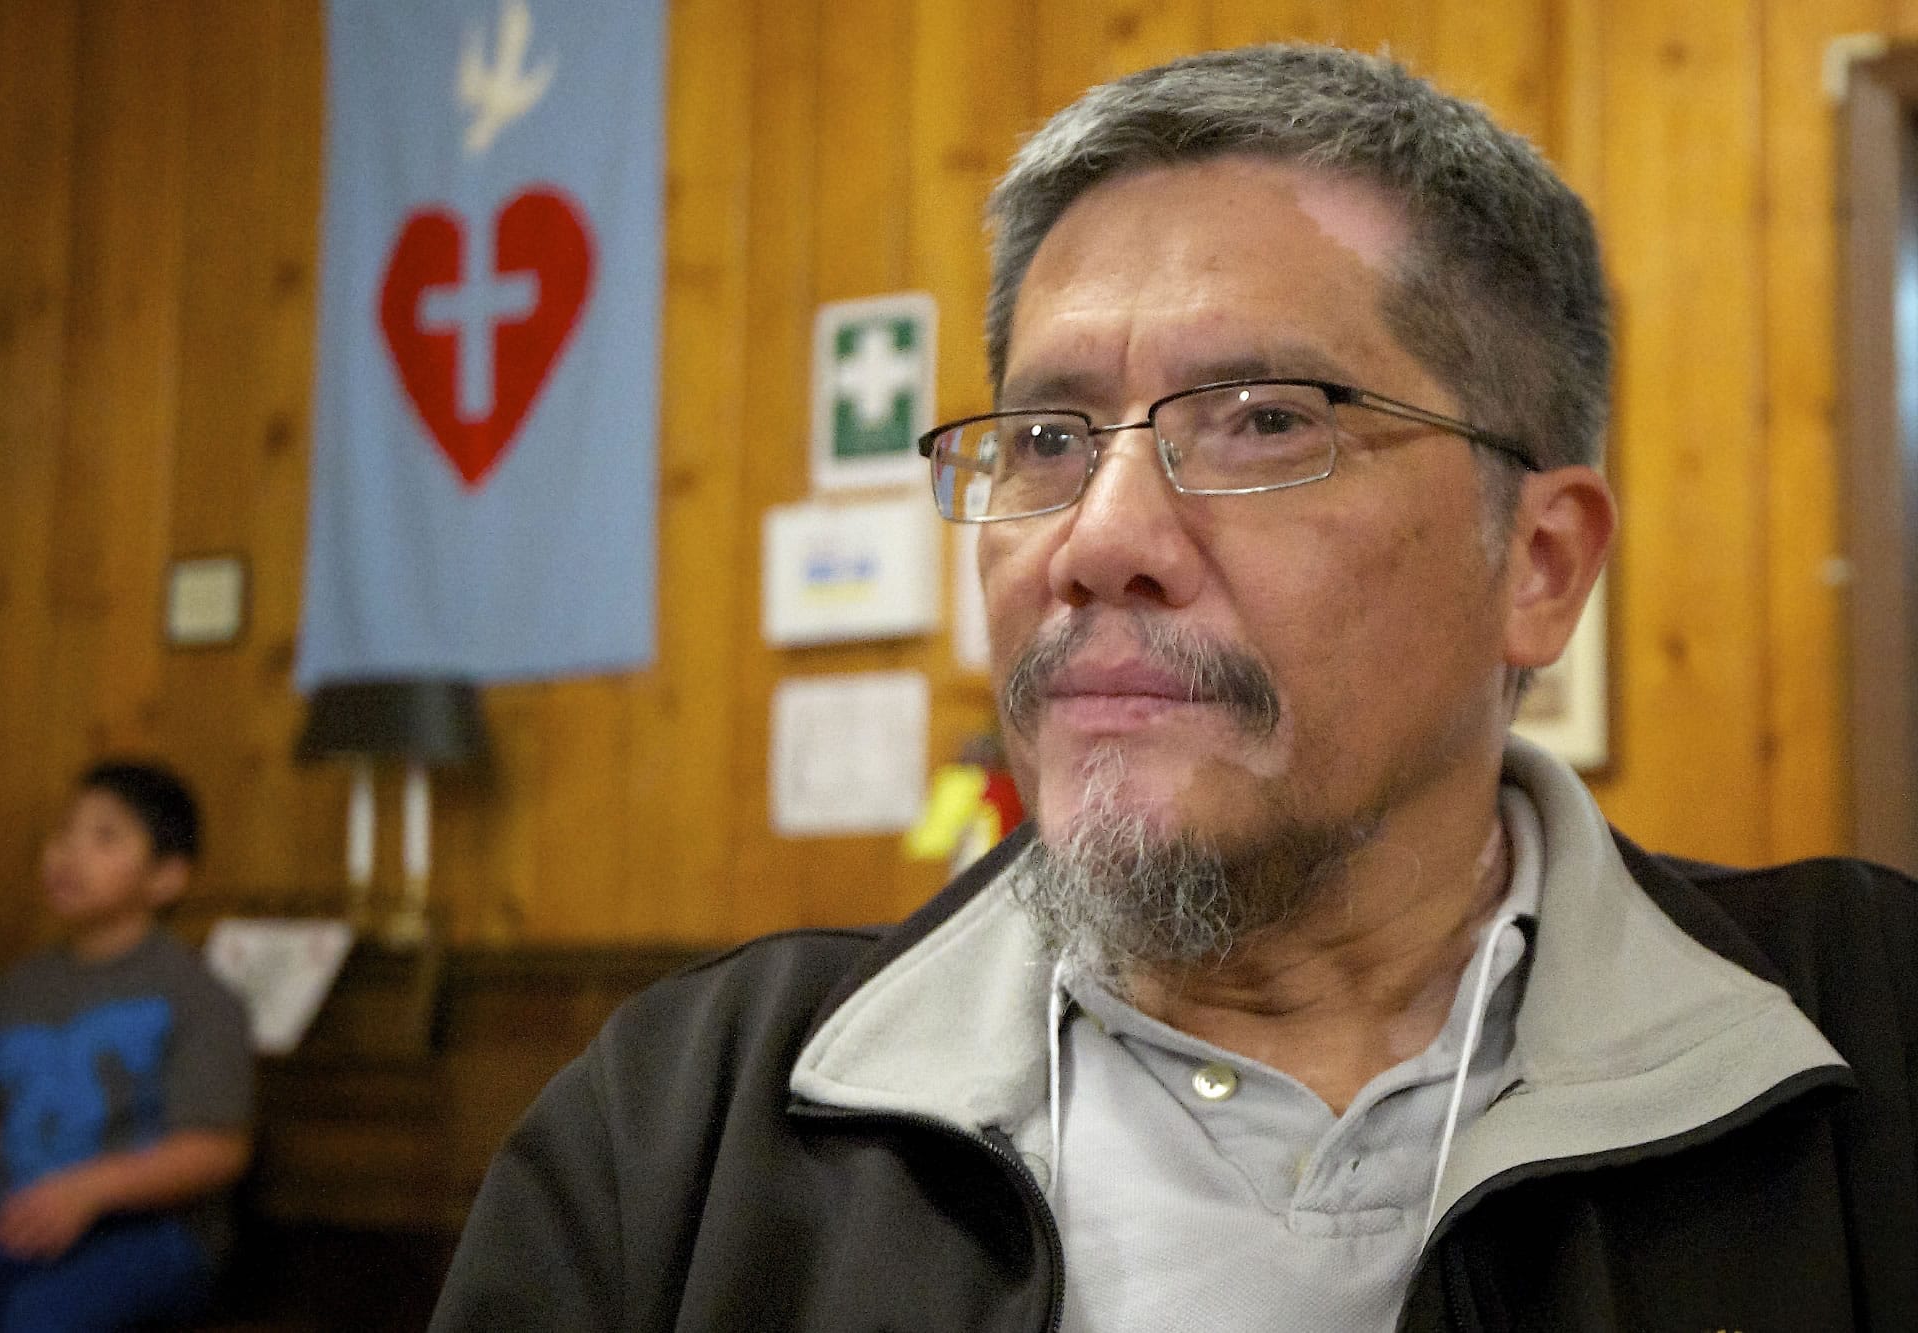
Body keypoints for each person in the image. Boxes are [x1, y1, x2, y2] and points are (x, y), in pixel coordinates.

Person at [432, 44, 1918, 1331]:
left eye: (1268, 420)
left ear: (1537, 563)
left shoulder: (1870, 1046)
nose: (1100, 542)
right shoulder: (686, 1132)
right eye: (1048, 438)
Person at [0, 760, 253, 1332]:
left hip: (147, 1234)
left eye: (105, 836)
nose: (67, 853)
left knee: (40, 1318)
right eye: (63, 832)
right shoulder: (13, 990)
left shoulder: (196, 994)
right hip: (5, 1218)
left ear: (167, 877)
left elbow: (217, 1150)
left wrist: (88, 1191)